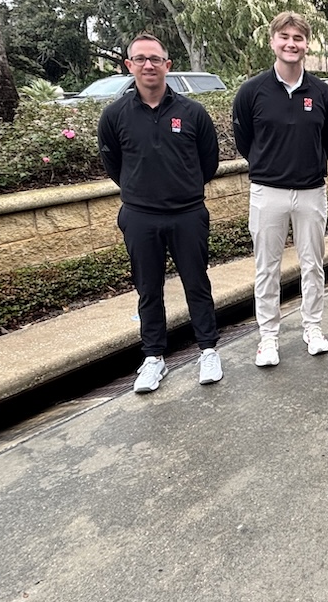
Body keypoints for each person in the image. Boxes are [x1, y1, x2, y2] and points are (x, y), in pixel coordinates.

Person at [97, 33, 222, 393]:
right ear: (129, 65)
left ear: (167, 65)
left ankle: (208, 349)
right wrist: (140, 191)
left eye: (155, 59)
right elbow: (113, 164)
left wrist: (182, 188)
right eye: (141, 59)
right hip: (140, 217)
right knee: (148, 289)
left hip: (187, 214)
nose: (148, 65)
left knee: (197, 284)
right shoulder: (115, 114)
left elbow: (208, 162)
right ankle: (153, 357)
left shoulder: (192, 112)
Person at [232, 12, 328, 367]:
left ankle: (313, 328)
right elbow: (246, 141)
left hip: (311, 191)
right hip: (267, 191)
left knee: (313, 265)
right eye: (285, 37)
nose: (292, 44)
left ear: (307, 45)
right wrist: (270, 165)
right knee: (267, 268)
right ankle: (269, 337)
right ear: (272, 41)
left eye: (299, 38)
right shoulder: (251, 91)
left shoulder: (322, 92)